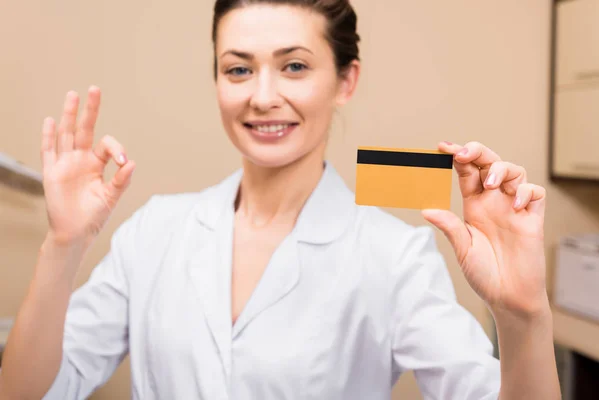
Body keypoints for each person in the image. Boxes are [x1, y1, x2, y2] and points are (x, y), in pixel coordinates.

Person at [0, 0, 560, 399]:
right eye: (238, 69)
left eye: (294, 65)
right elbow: (29, 392)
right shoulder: (155, 232)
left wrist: (523, 316)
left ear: (345, 81)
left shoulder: (396, 257)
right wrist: (64, 243)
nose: (263, 97)